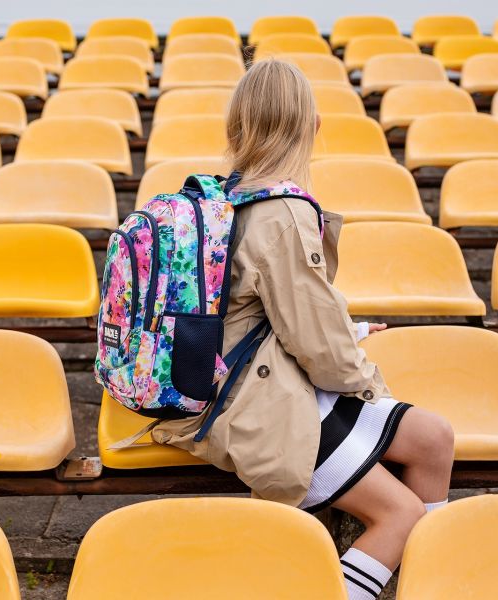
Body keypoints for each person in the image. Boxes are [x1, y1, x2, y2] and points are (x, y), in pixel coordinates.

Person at [152, 59, 455, 600]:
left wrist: (347, 333)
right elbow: (323, 353)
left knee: (434, 438)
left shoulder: (225, 196)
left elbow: (268, 314)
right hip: (256, 404)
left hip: (255, 379)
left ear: (237, 127)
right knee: (400, 515)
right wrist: (368, 382)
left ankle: (430, 581)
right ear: (311, 126)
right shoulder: (282, 213)